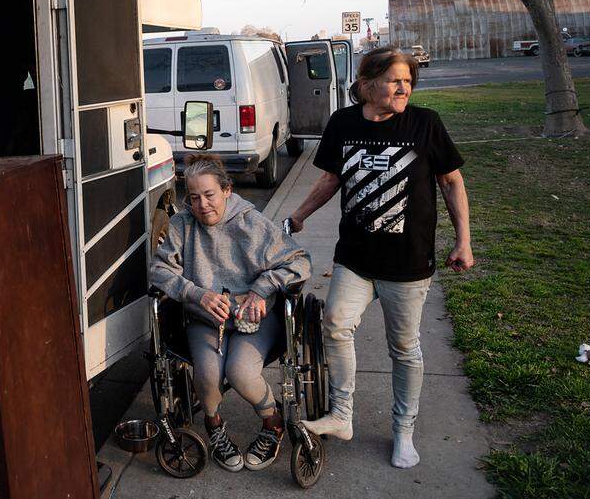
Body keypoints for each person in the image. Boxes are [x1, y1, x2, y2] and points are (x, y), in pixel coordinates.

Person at [288, 46, 475, 469]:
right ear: (367, 84)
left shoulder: (425, 123)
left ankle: (403, 431)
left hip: (407, 265)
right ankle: (341, 414)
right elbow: (331, 178)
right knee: (335, 324)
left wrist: (463, 241)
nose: (404, 87)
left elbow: (451, 183)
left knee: (404, 349)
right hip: (354, 257)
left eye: (409, 80)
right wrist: (299, 215)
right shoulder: (344, 123)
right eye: (395, 80)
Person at [151, 154, 311, 472]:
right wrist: (197, 294)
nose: (202, 204)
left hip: (254, 318)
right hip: (206, 318)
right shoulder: (183, 225)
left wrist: (262, 287)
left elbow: (300, 261)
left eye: (209, 195)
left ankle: (273, 423)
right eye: (194, 197)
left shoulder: (251, 223)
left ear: (226, 189)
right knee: (208, 375)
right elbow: (158, 270)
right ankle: (215, 426)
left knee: (241, 373)